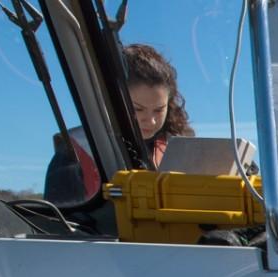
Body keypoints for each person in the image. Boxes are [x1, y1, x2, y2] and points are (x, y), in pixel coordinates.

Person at [44, 43, 193, 204]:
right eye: (138, 109)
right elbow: (59, 220)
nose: (151, 120)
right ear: (111, 104)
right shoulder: (73, 154)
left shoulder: (180, 148)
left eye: (158, 110)